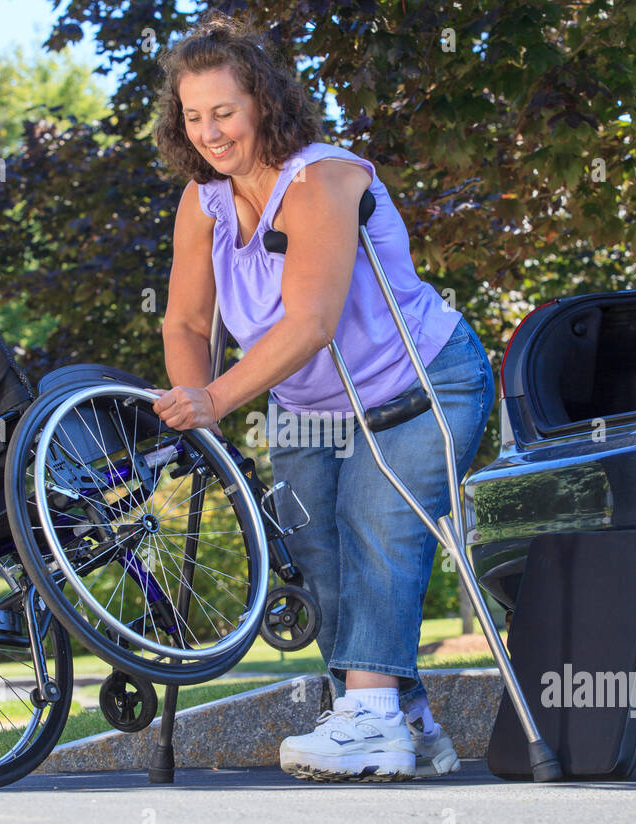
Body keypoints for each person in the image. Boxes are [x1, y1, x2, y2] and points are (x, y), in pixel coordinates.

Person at [151, 13, 494, 781]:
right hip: (311, 411)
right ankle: (402, 723)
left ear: (263, 103)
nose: (209, 132)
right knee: (320, 558)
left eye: (224, 112)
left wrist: (220, 399)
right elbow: (185, 319)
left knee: (376, 526)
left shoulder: (323, 179)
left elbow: (310, 323)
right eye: (193, 116)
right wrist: (189, 394)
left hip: (423, 381)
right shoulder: (201, 204)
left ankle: (367, 719)